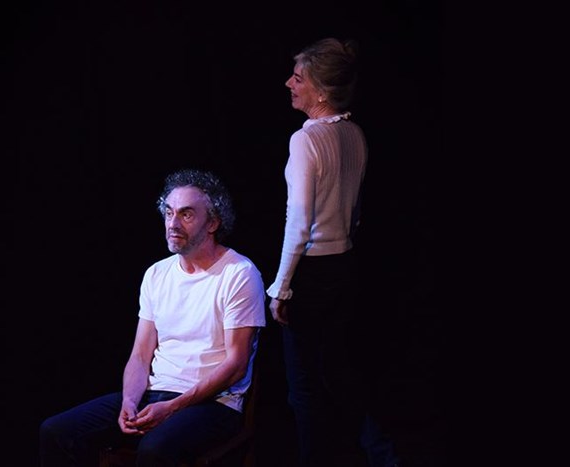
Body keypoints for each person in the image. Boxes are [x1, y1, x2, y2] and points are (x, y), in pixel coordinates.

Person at [39, 169, 266, 467]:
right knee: (56, 431)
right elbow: (140, 354)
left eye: (186, 214)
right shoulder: (157, 273)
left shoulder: (239, 274)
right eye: (169, 212)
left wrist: (172, 407)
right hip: (154, 394)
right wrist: (129, 400)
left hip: (214, 404)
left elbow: (236, 365)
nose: (173, 224)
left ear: (213, 222)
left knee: (154, 450)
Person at [266, 37, 372, 467]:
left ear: (322, 92)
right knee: (338, 373)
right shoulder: (355, 133)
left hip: (312, 273)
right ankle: (380, 453)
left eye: (298, 78)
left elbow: (299, 222)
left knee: (304, 385)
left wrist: (282, 287)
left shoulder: (305, 141)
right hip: (345, 265)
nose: (289, 83)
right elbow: (355, 212)